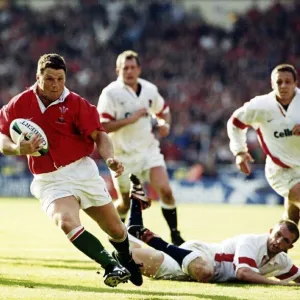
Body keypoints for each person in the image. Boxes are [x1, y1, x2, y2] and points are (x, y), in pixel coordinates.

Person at [0, 53, 143, 288]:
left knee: (116, 230)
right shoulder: (19, 103)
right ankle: (110, 265)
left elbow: (100, 135)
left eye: (60, 79)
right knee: (66, 221)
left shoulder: (76, 103)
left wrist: (110, 159)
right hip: (49, 180)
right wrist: (17, 148)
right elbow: (2, 135)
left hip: (81, 172)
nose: (55, 85)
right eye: (49, 79)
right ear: (38, 77)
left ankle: (124, 257)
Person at [127, 175, 300, 285]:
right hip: (201, 255)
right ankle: (155, 240)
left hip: (197, 269)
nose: (278, 241)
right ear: (271, 231)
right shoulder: (253, 242)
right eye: (278, 235)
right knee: (205, 272)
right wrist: (278, 284)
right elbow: (243, 273)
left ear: (290, 247)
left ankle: (136, 203)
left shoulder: (282, 261)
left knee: (129, 256)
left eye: (285, 240)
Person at [97, 50, 185, 245]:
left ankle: (175, 234)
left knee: (166, 191)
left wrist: (165, 125)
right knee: (125, 203)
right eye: (125, 68)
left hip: (148, 151)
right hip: (122, 156)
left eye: (132, 67)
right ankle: (115, 234)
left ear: (139, 69)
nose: (129, 71)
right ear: (117, 70)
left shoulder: (149, 89)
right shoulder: (110, 93)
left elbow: (164, 112)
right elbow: (102, 126)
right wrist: (130, 119)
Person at [227, 64, 300, 225]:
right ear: (272, 84)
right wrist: (239, 152)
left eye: (288, 82)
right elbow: (235, 122)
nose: (283, 86)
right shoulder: (261, 106)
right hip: (280, 169)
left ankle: (278, 245)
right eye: (279, 82)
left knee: (292, 219)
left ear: (296, 83)